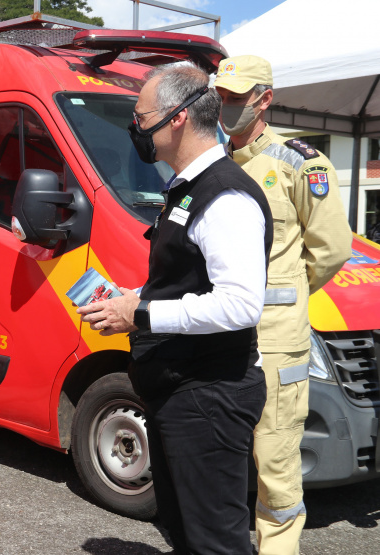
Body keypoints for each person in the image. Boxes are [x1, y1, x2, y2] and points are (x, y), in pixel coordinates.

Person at [76, 64, 272, 554]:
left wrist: (140, 314)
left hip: (209, 396)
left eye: (142, 117)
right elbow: (189, 277)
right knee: (187, 534)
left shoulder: (224, 195)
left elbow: (241, 304)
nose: (136, 128)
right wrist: (132, 296)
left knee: (216, 542)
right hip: (182, 392)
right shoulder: (187, 188)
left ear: (178, 118)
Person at [213, 54, 351, 555]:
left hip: (275, 343)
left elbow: (331, 249)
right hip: (218, 338)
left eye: (235, 98)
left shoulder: (299, 163)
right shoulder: (211, 163)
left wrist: (283, 297)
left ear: (263, 99)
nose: (225, 106)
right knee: (219, 460)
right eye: (221, 97)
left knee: (275, 467)